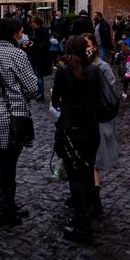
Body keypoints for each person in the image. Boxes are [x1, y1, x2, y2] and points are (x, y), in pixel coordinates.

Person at [0, 17, 38, 227]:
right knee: (9, 164)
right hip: (15, 115)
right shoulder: (18, 54)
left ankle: (5, 205)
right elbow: (32, 88)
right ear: (16, 33)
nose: (23, 34)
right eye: (21, 31)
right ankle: (5, 211)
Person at [52, 36, 100, 243]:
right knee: (88, 173)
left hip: (72, 129)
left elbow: (56, 100)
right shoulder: (94, 71)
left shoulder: (64, 72)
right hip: (92, 129)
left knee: (75, 177)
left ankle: (83, 222)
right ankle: (87, 213)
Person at [83, 34, 117, 218]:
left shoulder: (103, 67)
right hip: (85, 119)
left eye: (87, 45)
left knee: (95, 160)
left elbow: (108, 92)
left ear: (95, 47)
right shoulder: (80, 65)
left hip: (98, 119)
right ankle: (84, 195)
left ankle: (95, 201)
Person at [27, 16, 52, 101]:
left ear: (37, 24)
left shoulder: (44, 32)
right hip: (34, 56)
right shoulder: (34, 31)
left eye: (33, 23)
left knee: (39, 75)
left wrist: (34, 44)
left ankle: (41, 93)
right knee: (35, 75)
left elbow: (46, 45)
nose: (31, 25)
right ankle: (38, 92)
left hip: (41, 57)